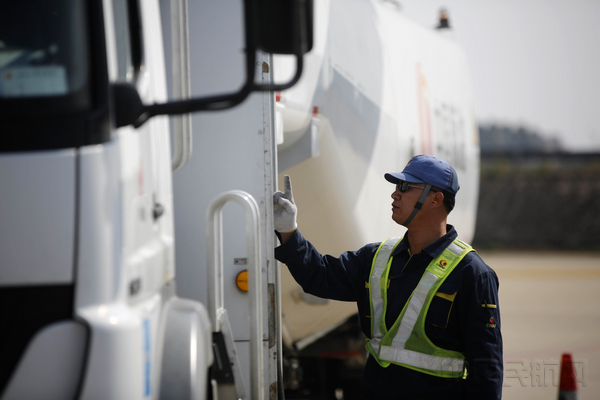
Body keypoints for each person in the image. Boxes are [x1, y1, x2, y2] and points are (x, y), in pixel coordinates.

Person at [273, 155, 503, 399]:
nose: (395, 194)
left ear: (436, 199)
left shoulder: (472, 274)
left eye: (405, 187)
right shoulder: (377, 257)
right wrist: (289, 232)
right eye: (396, 186)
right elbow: (319, 276)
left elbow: (486, 369)